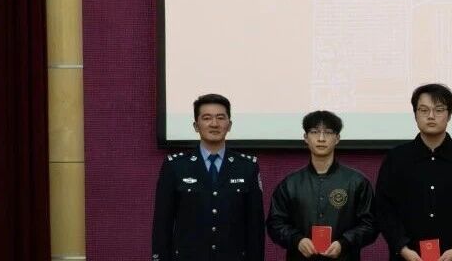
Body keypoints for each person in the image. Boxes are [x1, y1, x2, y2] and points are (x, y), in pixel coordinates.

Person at [375, 83, 452, 261]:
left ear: (449, 115)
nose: (431, 116)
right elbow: (384, 209)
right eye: (424, 110)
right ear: (415, 114)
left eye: (439, 110)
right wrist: (402, 248)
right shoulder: (396, 159)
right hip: (406, 256)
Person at [152, 93, 264, 260]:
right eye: (206, 118)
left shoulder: (247, 167)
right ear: (196, 126)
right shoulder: (175, 166)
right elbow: (162, 224)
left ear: (229, 125)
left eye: (220, 118)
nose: (214, 124)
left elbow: (255, 227)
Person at [267, 110, 378, 259]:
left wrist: (345, 243)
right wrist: (297, 240)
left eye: (328, 132)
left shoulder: (357, 182)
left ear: (337, 138)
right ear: (305, 138)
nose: (321, 138)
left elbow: (371, 224)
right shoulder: (290, 184)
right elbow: (275, 223)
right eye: (314, 132)